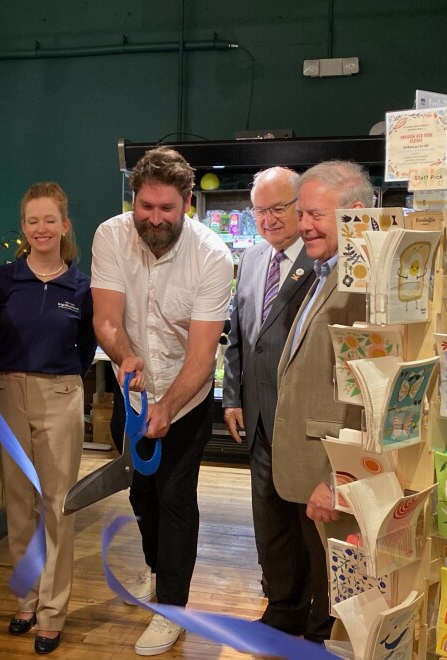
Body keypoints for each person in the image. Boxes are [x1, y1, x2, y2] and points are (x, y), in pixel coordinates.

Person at [91, 146, 233, 656]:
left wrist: (168, 407)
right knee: (140, 497)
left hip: (185, 400)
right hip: (131, 394)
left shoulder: (213, 254)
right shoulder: (111, 235)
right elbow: (106, 318)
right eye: (145, 207)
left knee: (175, 499)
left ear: (187, 202)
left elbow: (201, 355)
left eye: (166, 208)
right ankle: (157, 570)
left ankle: (172, 607)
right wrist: (125, 355)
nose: (154, 218)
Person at [0, 182, 96, 655]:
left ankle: (53, 611)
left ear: (65, 225)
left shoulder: (81, 286)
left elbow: (87, 348)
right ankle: (26, 599)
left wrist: (61, 383)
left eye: (50, 219)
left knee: (58, 505)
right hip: (7, 392)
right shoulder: (3, 280)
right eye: (33, 220)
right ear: (24, 227)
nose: (41, 228)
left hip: (61, 393)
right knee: (19, 503)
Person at [265, 160, 370, 642]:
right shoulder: (323, 270)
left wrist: (338, 477)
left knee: (345, 605)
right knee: (323, 593)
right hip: (309, 472)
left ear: (356, 214)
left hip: (331, 474)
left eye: (315, 215)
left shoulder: (364, 285)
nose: (303, 225)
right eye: (301, 213)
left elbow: (369, 395)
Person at [221, 167, 315, 597]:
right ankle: (281, 603)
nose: (269, 219)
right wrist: (232, 397)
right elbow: (240, 335)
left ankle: (316, 613)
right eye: (260, 210)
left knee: (306, 522)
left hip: (302, 419)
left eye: (279, 208)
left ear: (299, 207)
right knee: (269, 520)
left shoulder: (321, 260)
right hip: (258, 416)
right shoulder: (254, 257)